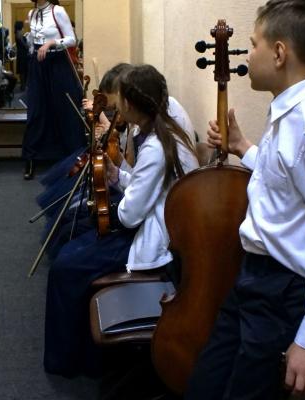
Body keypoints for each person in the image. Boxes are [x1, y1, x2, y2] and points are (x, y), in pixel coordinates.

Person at [185, 1, 305, 399]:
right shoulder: (287, 114)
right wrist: (243, 146)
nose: (248, 53)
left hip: (282, 292)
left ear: (279, 53)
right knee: (204, 386)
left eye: (253, 44)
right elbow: (283, 181)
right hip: (252, 278)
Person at [43, 64, 199, 377]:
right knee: (74, 251)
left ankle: (71, 360)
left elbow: (129, 215)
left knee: (67, 266)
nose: (116, 107)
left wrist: (117, 191)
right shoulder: (162, 132)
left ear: (130, 104)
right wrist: (117, 177)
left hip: (157, 242)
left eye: (119, 101)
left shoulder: (157, 146)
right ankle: (82, 349)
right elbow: (145, 187)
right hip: (153, 223)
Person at [22, 0, 86, 179]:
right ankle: (31, 158)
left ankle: (74, 158)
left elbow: (72, 39)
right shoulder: (31, 14)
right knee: (35, 110)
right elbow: (33, 42)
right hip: (38, 64)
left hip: (58, 63)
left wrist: (51, 43)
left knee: (66, 109)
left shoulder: (58, 11)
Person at [14, 21, 29, 91]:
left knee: (22, 71)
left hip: (20, 54)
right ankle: (23, 86)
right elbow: (24, 45)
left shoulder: (17, 33)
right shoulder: (19, 33)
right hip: (23, 54)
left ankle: (23, 86)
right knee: (23, 70)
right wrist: (28, 45)